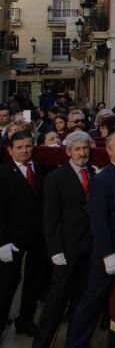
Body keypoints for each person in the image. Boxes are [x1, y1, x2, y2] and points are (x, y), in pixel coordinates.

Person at [65, 130, 115, 348]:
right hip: (108, 258)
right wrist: (107, 254)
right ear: (108, 151)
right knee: (91, 303)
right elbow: (98, 221)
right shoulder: (102, 180)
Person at [34, 132, 96, 348]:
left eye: (86, 148)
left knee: (81, 301)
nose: (83, 153)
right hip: (66, 250)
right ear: (68, 151)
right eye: (78, 149)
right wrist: (55, 250)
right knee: (56, 302)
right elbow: (50, 218)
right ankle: (41, 343)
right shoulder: (56, 178)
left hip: (89, 249)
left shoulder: (93, 173)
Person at [0, 131, 49, 337]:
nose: (24, 150)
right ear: (10, 150)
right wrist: (2, 242)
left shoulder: (43, 170)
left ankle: (25, 321)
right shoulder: (2, 173)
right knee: (7, 282)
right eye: (19, 147)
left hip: (39, 237)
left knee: (34, 280)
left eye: (28, 146)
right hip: (12, 239)